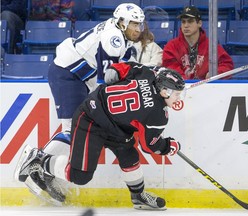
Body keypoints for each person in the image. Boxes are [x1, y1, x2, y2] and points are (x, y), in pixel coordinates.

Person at [14, 3, 145, 198]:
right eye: (134, 24)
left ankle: (41, 166)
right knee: (74, 129)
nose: (138, 29)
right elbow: (107, 80)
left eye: (140, 24)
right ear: (122, 22)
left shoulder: (117, 32)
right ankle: (37, 161)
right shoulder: (114, 38)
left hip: (77, 76)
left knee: (76, 129)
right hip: (68, 74)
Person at [17, 62, 186, 210]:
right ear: (164, 92)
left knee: (129, 155)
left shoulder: (148, 73)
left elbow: (121, 69)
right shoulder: (158, 115)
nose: (179, 98)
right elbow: (149, 146)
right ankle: (38, 160)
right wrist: (169, 146)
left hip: (113, 122)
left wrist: (115, 72)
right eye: (177, 94)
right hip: (91, 121)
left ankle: (138, 196)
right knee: (80, 176)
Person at [162, 6, 234, 80]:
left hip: (206, 88)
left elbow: (227, 65)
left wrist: (216, 73)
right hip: (181, 88)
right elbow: (170, 68)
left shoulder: (211, 45)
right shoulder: (171, 46)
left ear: (199, 23)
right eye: (183, 22)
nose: (186, 25)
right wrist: (184, 82)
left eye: (190, 21)